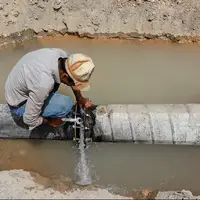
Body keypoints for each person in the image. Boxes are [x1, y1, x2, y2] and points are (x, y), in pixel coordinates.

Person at [5, 48, 95, 131]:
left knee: (51, 89)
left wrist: (80, 98)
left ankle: (38, 101)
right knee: (65, 104)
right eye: (75, 83)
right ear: (64, 76)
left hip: (21, 82)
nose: (76, 86)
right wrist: (49, 121)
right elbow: (29, 119)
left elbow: (71, 73)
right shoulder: (43, 83)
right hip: (18, 103)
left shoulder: (62, 56)